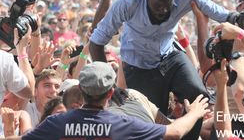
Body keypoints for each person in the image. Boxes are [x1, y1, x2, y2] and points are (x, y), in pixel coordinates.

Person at [89, 0, 231, 138]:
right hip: (139, 68)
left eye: (168, 2)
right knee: (150, 122)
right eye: (158, 3)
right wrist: (109, 84)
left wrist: (240, 18)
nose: (164, 9)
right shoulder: (128, 2)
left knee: (198, 94)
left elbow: (221, 14)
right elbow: (96, 43)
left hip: (169, 57)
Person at [8, 61, 210, 140]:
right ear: (111, 94)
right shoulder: (124, 124)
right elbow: (175, 132)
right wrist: (194, 112)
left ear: (81, 90)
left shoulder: (57, 122)